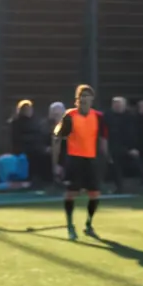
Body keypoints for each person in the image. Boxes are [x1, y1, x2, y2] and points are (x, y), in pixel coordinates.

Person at [52, 85, 109, 240]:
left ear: (92, 99)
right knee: (71, 193)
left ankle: (89, 224)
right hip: (74, 159)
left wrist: (105, 158)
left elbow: (103, 139)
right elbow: (58, 137)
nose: (84, 99)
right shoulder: (70, 115)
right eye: (82, 96)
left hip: (91, 160)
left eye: (87, 96)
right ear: (77, 99)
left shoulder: (98, 117)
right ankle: (70, 225)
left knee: (95, 194)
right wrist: (56, 163)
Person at [8, 99, 47, 187]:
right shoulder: (16, 123)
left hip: (36, 147)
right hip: (24, 149)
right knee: (35, 155)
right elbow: (17, 138)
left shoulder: (35, 122)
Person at [106, 96, 141, 193]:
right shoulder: (108, 117)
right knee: (115, 162)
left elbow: (133, 134)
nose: (117, 107)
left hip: (129, 147)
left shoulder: (130, 117)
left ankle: (142, 186)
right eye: (115, 105)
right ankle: (119, 187)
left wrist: (133, 148)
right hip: (114, 148)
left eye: (120, 105)